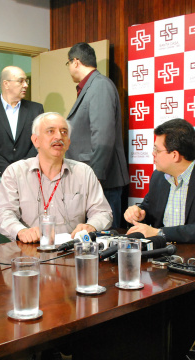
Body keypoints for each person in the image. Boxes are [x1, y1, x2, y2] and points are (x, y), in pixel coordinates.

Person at [0, 112, 112, 243]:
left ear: (68, 142)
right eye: (50, 131)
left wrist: (91, 226)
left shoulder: (84, 172)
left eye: (64, 132)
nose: (59, 136)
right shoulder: (15, 172)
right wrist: (21, 231)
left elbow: (102, 212)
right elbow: (3, 214)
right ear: (35, 140)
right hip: (29, 251)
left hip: (71, 250)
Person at [124, 118, 195, 243]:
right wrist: (137, 214)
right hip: (162, 254)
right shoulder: (158, 177)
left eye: (157, 150)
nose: (153, 154)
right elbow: (148, 211)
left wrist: (160, 233)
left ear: (174, 155)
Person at [65, 42, 129, 228]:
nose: (69, 68)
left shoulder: (99, 86)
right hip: (92, 179)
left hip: (102, 182)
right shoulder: (89, 87)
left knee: (105, 241)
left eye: (68, 63)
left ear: (76, 62)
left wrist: (96, 179)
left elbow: (103, 137)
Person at [0, 66, 44, 198]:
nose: (25, 85)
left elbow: (39, 140)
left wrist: (22, 168)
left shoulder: (36, 109)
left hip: (29, 177)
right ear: (6, 84)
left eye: (26, 81)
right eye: (21, 81)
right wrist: (7, 170)